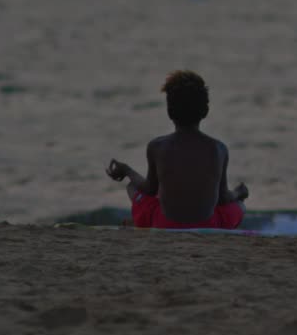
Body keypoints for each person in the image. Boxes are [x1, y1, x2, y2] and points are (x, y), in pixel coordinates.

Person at [106, 70, 248, 229]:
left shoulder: (157, 146)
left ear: (169, 111)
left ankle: (140, 221)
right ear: (205, 110)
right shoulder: (218, 149)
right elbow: (223, 198)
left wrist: (127, 171)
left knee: (132, 186)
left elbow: (149, 190)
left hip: (163, 223)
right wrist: (238, 193)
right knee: (240, 207)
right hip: (209, 224)